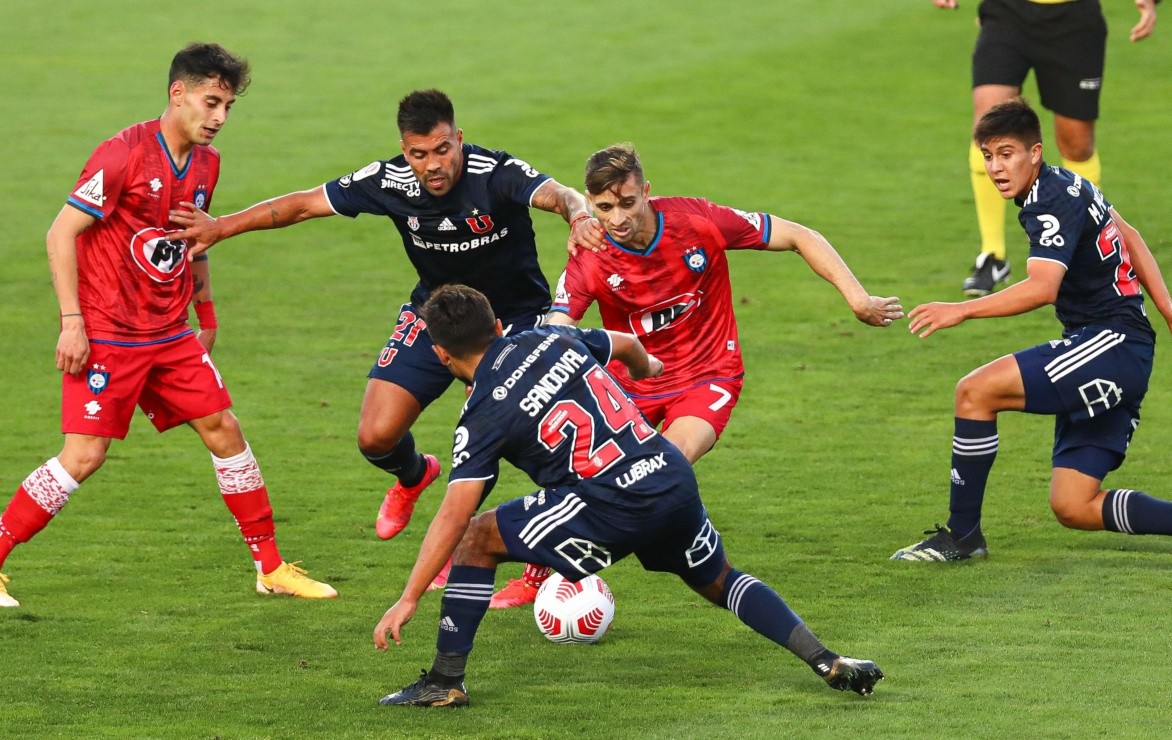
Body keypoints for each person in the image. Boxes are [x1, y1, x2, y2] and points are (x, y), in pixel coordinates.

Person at [371, 285, 883, 706]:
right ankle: (827, 660)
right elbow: (622, 343)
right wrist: (646, 370)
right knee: (719, 579)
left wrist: (409, 596)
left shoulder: (481, 415)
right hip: (670, 476)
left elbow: (454, 515)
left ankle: (445, 681)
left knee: (478, 537)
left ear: (441, 355)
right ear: (500, 326)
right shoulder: (551, 338)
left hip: (610, 504)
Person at [170, 90, 603, 571]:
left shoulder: (494, 173)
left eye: (443, 150)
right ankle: (414, 475)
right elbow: (304, 205)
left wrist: (579, 213)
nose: (433, 165)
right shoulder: (389, 180)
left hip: (514, 320)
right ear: (404, 150)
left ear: (458, 139)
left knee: (491, 432)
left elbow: (561, 194)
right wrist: (221, 227)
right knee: (375, 436)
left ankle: (477, 551)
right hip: (437, 314)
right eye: (419, 154)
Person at [484, 143, 904, 609]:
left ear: (647, 191)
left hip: (709, 375)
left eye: (627, 203)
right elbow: (558, 331)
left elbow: (800, 235)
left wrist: (858, 298)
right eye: (604, 208)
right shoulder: (590, 257)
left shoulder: (697, 220)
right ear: (589, 202)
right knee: (575, 465)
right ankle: (539, 571)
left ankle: (611, 554)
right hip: (630, 384)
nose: (618, 218)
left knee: (670, 459)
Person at [0, 43, 335, 608]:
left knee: (224, 430)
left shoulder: (207, 163)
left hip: (169, 332)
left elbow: (193, 238)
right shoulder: (121, 156)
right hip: (107, 332)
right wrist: (72, 323)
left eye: (228, 106)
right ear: (178, 93)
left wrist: (205, 315)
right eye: (211, 103)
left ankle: (271, 567)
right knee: (84, 456)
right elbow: (60, 234)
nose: (219, 118)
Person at [892, 98, 1172, 563]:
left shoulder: (1049, 200)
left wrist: (961, 310)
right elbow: (1128, 233)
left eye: (1007, 153)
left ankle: (963, 536)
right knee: (1073, 505)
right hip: (1120, 346)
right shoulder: (1069, 183)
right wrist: (1167, 306)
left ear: (1035, 152)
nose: (996, 167)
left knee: (975, 392)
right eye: (988, 155)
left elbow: (1042, 287)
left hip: (1110, 343)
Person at [932, 0, 1160, 295]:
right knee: (987, 128)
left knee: (1076, 144)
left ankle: (1088, 246)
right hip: (1007, 13)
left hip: (1074, 21)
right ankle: (992, 255)